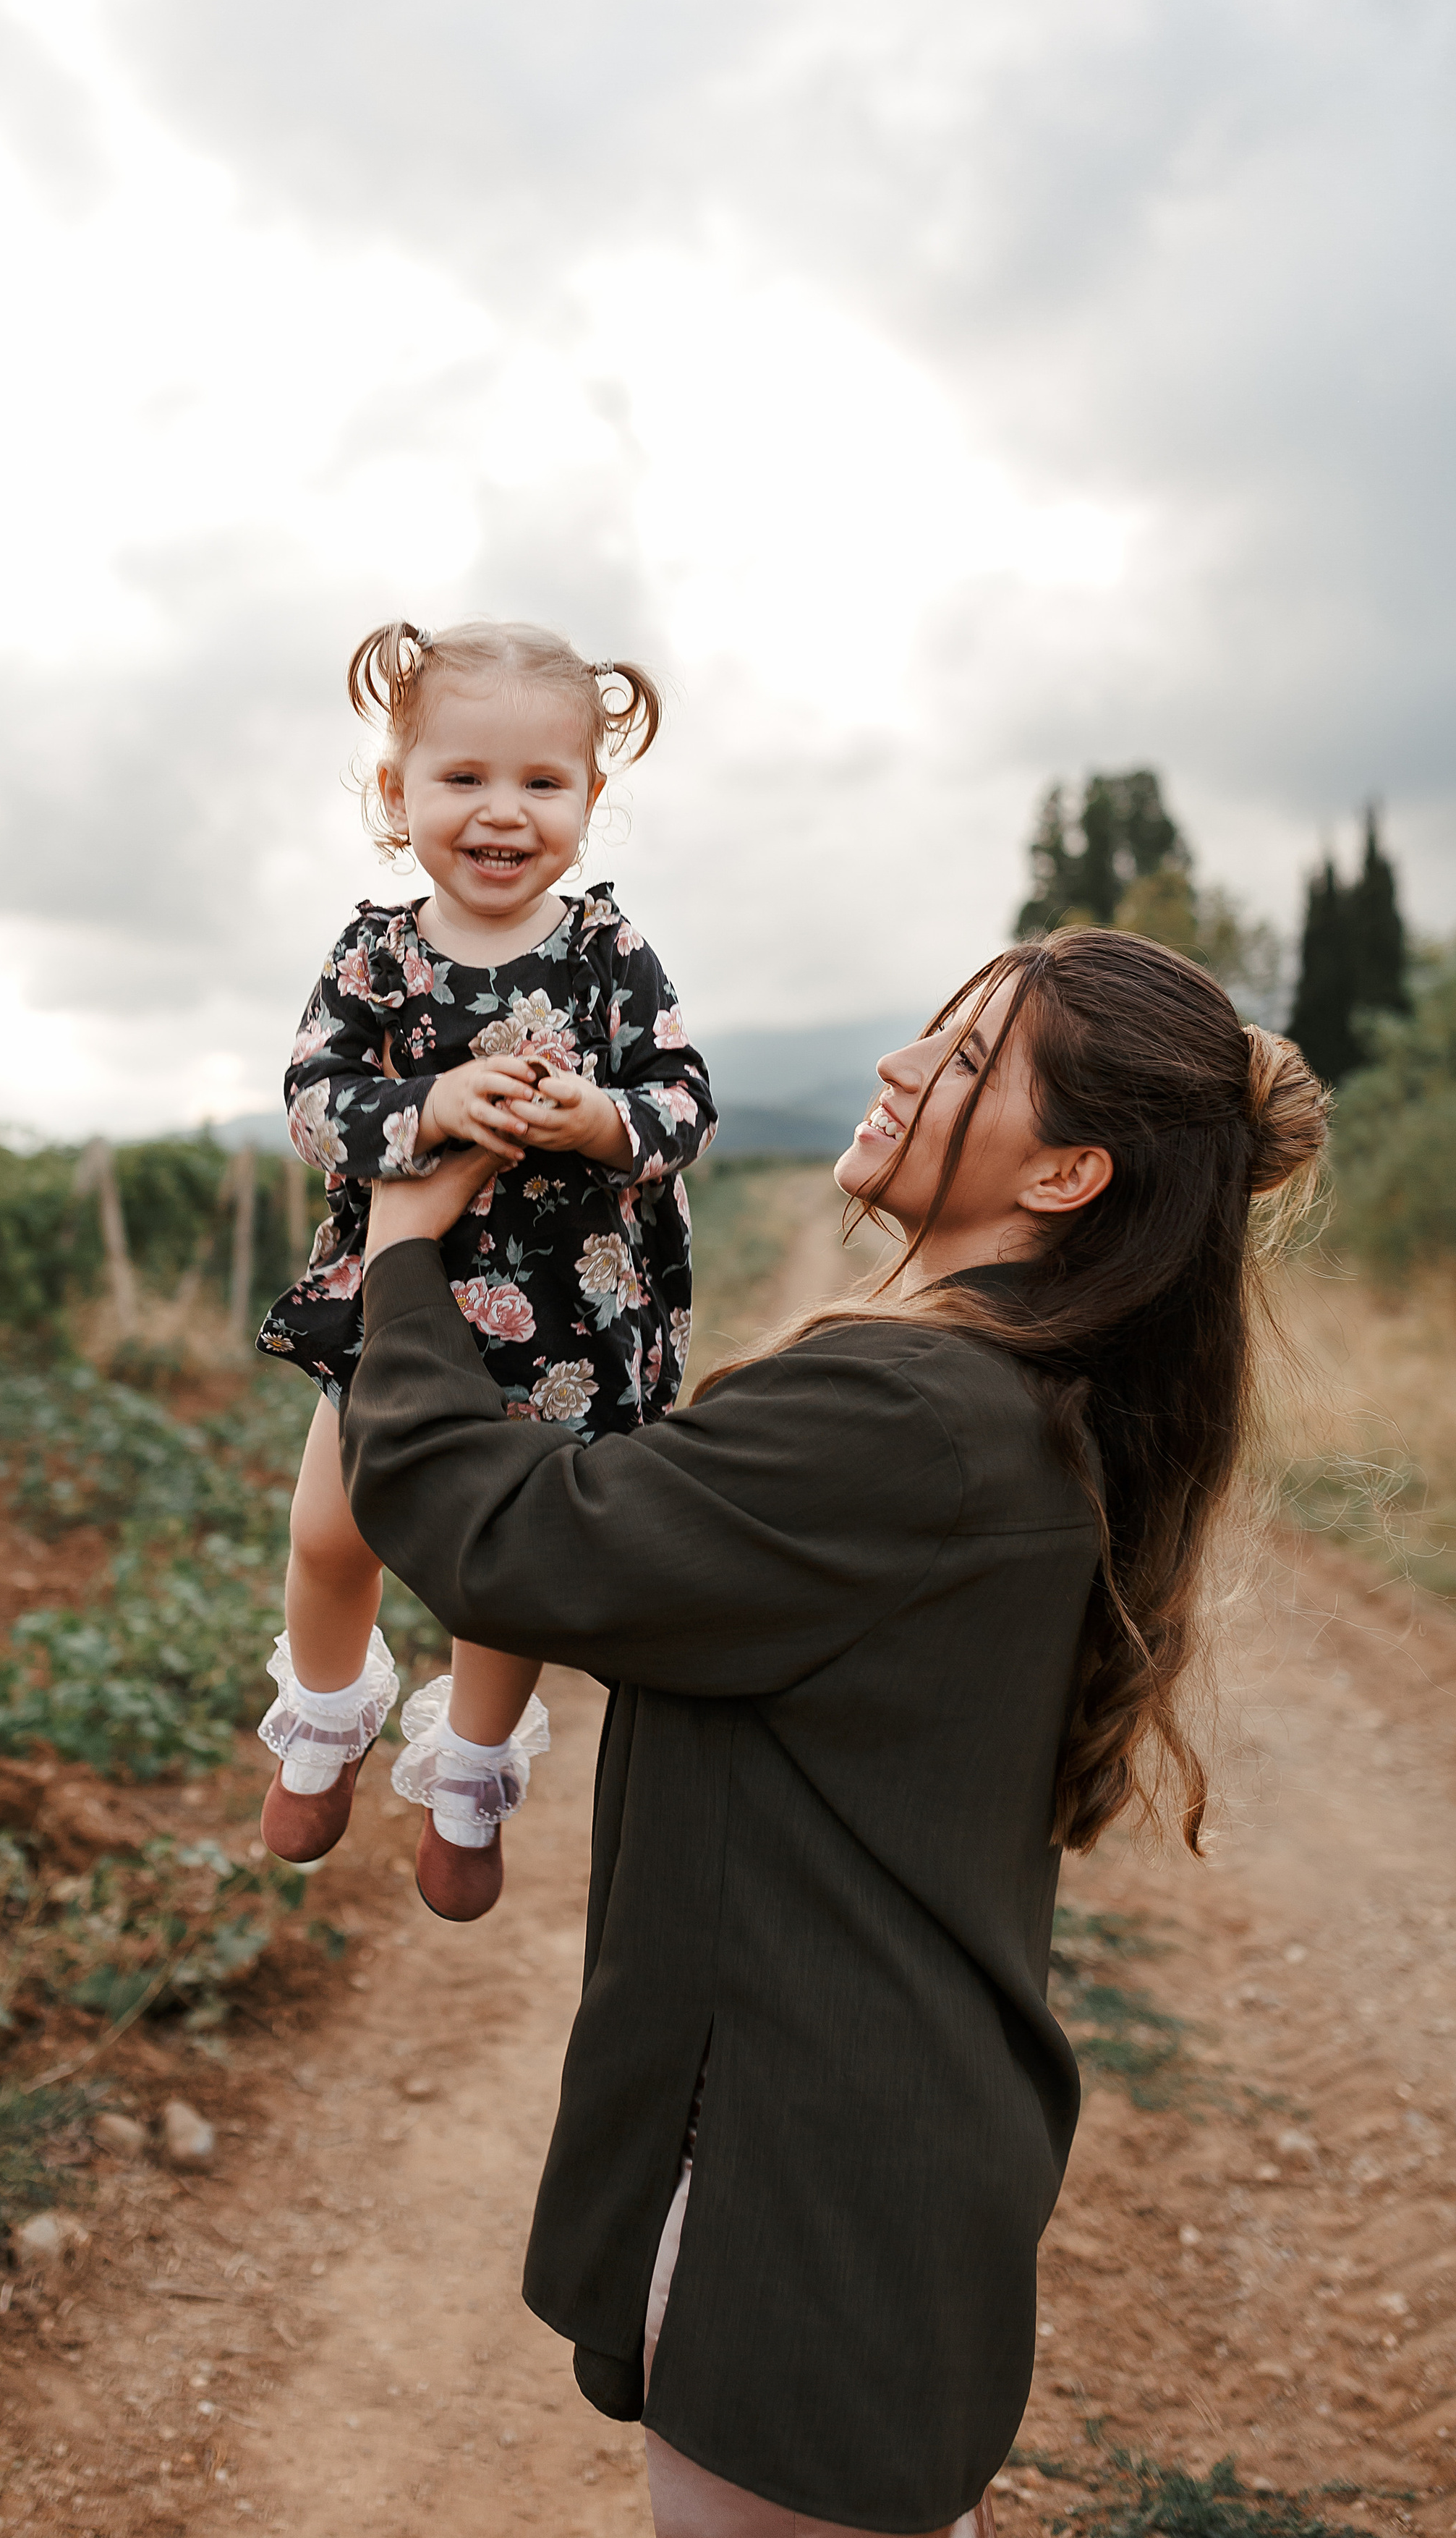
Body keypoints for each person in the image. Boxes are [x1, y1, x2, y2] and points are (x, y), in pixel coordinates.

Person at [338, 926, 1327, 2536]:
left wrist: (396, 1254)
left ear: (1066, 1176)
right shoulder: (1004, 1397)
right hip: (866, 2178)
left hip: (803, 2198)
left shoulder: (905, 1416)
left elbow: (513, 1542)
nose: (895, 1065)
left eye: (958, 1062)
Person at [255, 618, 716, 1919]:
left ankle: (468, 1770)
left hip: (561, 1323)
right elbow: (310, 1103)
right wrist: (433, 1108)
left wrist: (602, 1124)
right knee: (331, 1528)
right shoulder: (374, 957)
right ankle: (328, 1714)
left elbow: (685, 1100)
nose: (502, 813)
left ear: (589, 800)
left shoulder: (608, 956)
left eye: (541, 783)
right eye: (463, 779)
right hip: (391, 1307)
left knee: (497, 1563)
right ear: (397, 795)